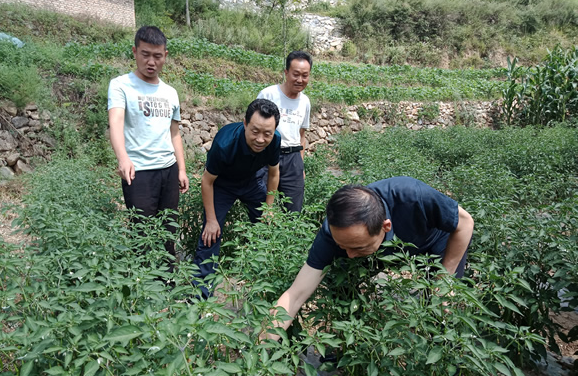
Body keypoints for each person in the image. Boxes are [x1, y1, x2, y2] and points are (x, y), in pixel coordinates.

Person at [272, 176, 474, 332]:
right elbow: (295, 294)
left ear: (386, 226)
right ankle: (347, 345)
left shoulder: (412, 195)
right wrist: (263, 341)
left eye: (357, 247)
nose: (350, 255)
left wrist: (444, 280)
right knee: (342, 283)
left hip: (434, 242)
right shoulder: (332, 233)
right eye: (343, 246)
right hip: (380, 249)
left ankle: (449, 373)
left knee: (444, 307)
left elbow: (465, 223)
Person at [108, 25, 189, 263]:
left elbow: (175, 133)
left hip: (168, 169)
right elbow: (116, 123)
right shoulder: (121, 85)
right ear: (134, 52)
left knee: (168, 229)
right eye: (145, 54)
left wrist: (182, 169)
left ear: (165, 56)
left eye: (157, 55)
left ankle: (167, 280)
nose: (151, 61)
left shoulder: (170, 92)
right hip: (139, 171)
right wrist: (123, 158)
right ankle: (141, 284)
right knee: (141, 231)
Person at [193, 99, 281, 298]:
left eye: (267, 133)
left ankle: (266, 290)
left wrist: (269, 209)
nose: (260, 139)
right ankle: (199, 299)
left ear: (274, 129)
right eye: (255, 131)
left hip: (252, 180)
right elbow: (206, 182)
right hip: (222, 185)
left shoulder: (275, 139)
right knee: (210, 236)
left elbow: (274, 174)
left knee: (269, 228)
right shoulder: (225, 143)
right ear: (245, 123)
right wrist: (211, 220)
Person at [257, 51, 312, 212]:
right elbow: (252, 128)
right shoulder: (268, 94)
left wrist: (300, 166)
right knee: (260, 206)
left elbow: (301, 136)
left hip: (293, 159)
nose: (300, 80)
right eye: (296, 74)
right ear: (286, 73)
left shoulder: (305, 102)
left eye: (305, 75)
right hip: (266, 156)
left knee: (293, 210)